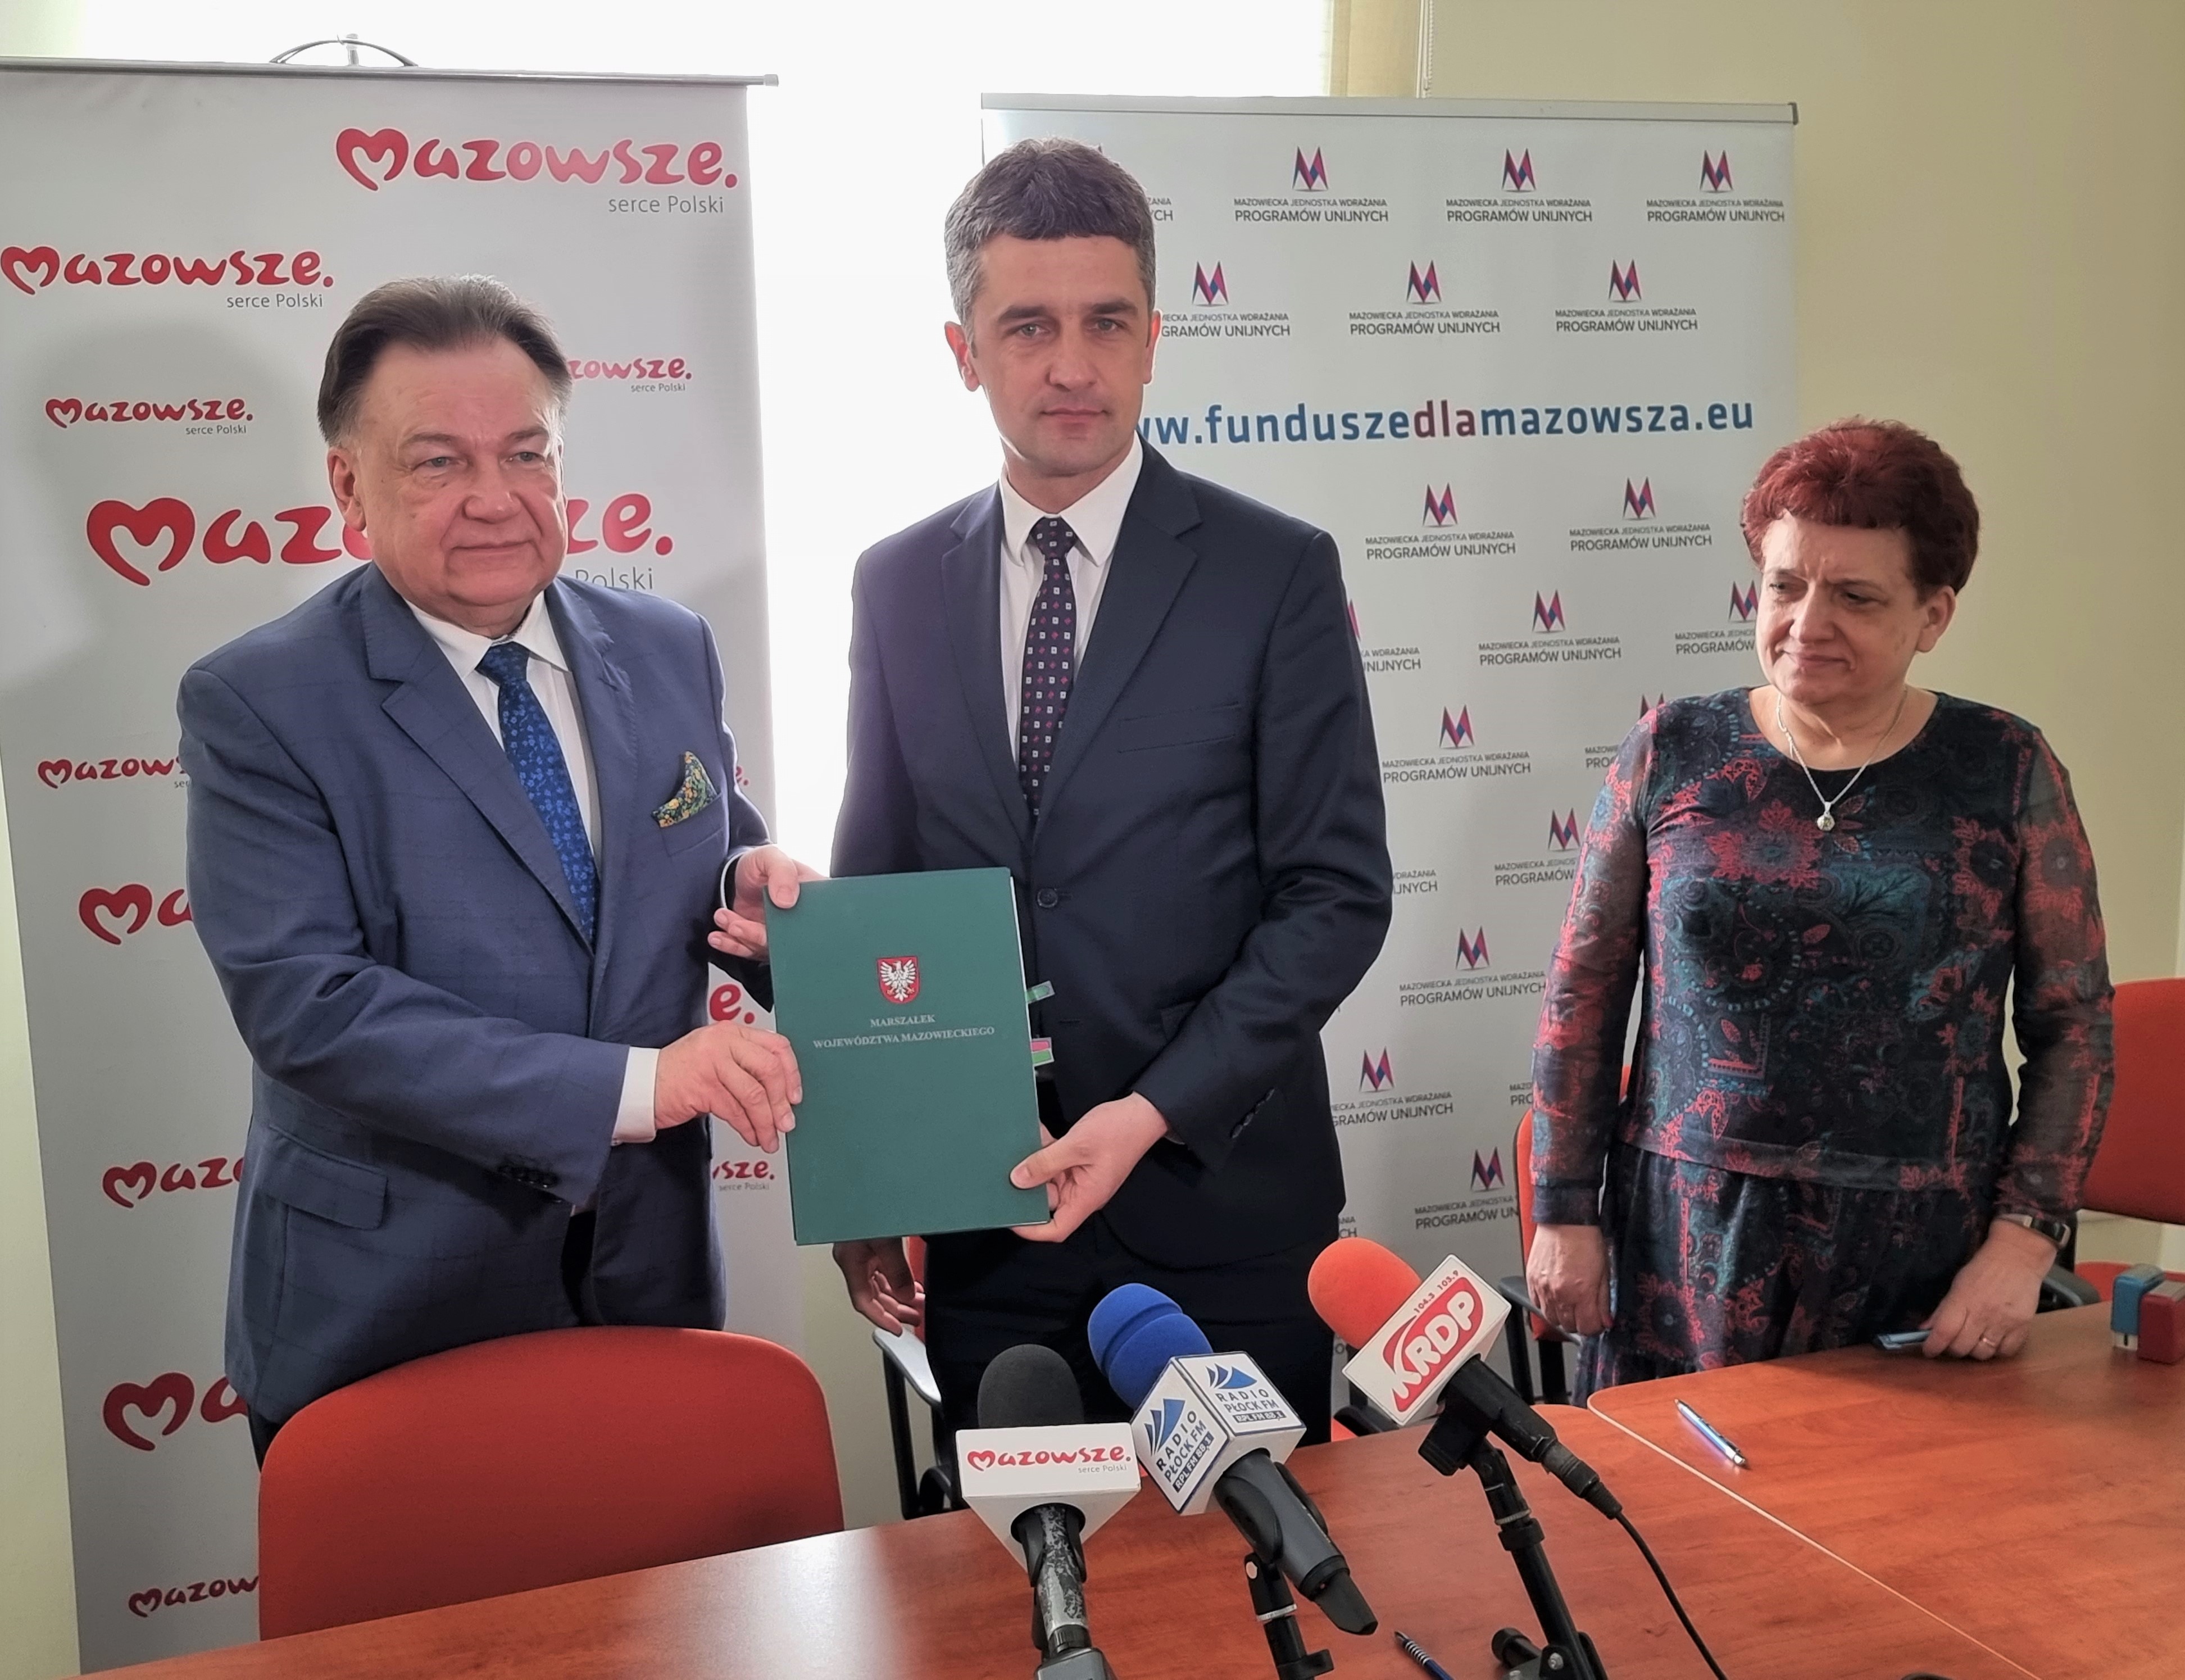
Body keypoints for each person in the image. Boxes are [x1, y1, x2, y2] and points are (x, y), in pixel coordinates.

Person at [180, 276, 817, 1458]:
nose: (494, 498)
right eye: (438, 462)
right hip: (387, 1311)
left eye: (527, 454)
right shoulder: (260, 701)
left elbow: (703, 848)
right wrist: (640, 1087)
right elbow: (309, 1007)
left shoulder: (668, 645)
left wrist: (751, 888)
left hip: (647, 1286)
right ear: (347, 488)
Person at [829, 139, 1391, 1438]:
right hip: (991, 1224)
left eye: (1106, 323)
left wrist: (1147, 1113)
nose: (1071, 366)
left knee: (1253, 1564)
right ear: (964, 351)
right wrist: (871, 1182)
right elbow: (878, 899)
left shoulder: (1274, 574)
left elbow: (1335, 895)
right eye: (1028, 326)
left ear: (1153, 341)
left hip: (1222, 1216)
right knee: (1028, 1562)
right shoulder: (895, 583)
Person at [1525, 418, 2113, 1397]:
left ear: (1933, 614)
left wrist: (2023, 1241)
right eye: (1784, 585)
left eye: (1855, 596)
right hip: (1687, 1235)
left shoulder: (2005, 768)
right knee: (1678, 1493)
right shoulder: (1672, 750)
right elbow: (1581, 995)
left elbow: (2073, 1025)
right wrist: (1561, 1210)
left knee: (1904, 1495)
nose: (1805, 623)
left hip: (1922, 1251)